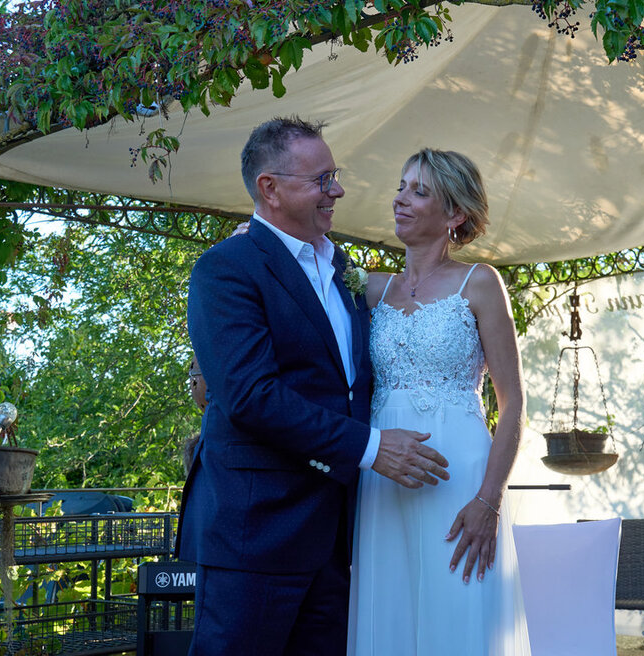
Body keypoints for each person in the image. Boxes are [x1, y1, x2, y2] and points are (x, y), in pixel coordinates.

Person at [178, 117, 450, 656]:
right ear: (270, 189)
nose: (338, 191)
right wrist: (372, 448)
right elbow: (250, 396)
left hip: (339, 534)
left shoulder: (343, 269)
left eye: (335, 175)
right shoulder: (226, 268)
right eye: (322, 180)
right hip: (257, 531)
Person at [348, 148, 531, 655]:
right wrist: (253, 236)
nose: (400, 199)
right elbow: (301, 275)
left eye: (419, 191)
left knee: (457, 614)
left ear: (455, 214)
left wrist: (489, 501)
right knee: (391, 616)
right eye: (401, 187)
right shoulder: (368, 289)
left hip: (459, 479)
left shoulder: (481, 283)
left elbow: (513, 402)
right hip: (382, 480)